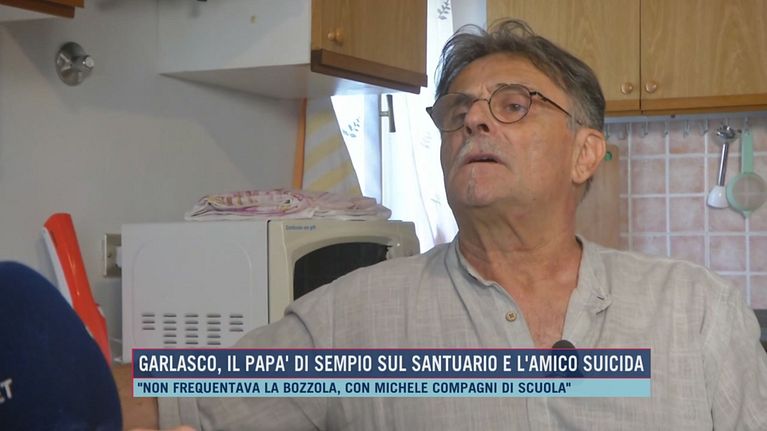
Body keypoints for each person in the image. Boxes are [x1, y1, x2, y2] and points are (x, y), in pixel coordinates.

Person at [117, 19, 767, 430]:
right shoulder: (352, 319)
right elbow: (162, 397)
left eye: (513, 105)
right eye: (457, 112)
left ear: (584, 153)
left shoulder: (696, 312)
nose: (474, 120)